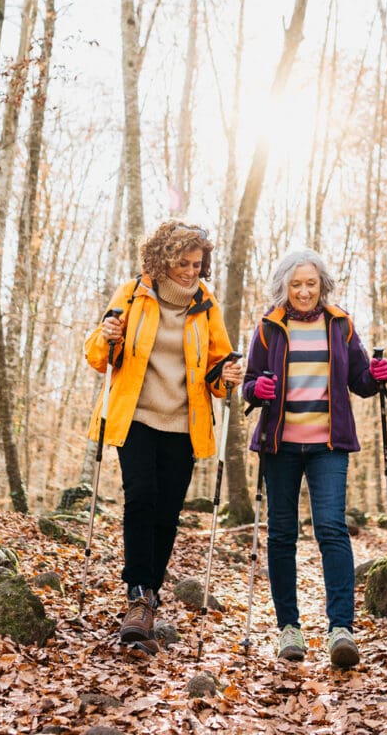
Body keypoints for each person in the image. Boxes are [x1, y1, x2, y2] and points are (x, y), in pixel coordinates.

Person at [84, 220, 244, 647]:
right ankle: (137, 593)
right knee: (141, 498)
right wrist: (106, 334)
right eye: (182, 264)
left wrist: (227, 374)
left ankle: (150, 594)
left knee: (167, 511)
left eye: (197, 264)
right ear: (161, 260)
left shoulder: (206, 305)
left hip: (182, 424)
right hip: (134, 416)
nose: (191, 272)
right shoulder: (134, 293)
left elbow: (217, 369)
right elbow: (99, 356)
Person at [242, 249, 387, 669]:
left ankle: (340, 629)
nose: (304, 291)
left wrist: (378, 375)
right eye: (296, 284)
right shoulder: (269, 328)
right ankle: (288, 629)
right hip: (281, 446)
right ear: (284, 288)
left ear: (321, 285)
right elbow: (249, 384)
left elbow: (361, 380)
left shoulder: (339, 325)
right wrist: (258, 391)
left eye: (311, 283)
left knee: (331, 528)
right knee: (282, 534)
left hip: (329, 445)